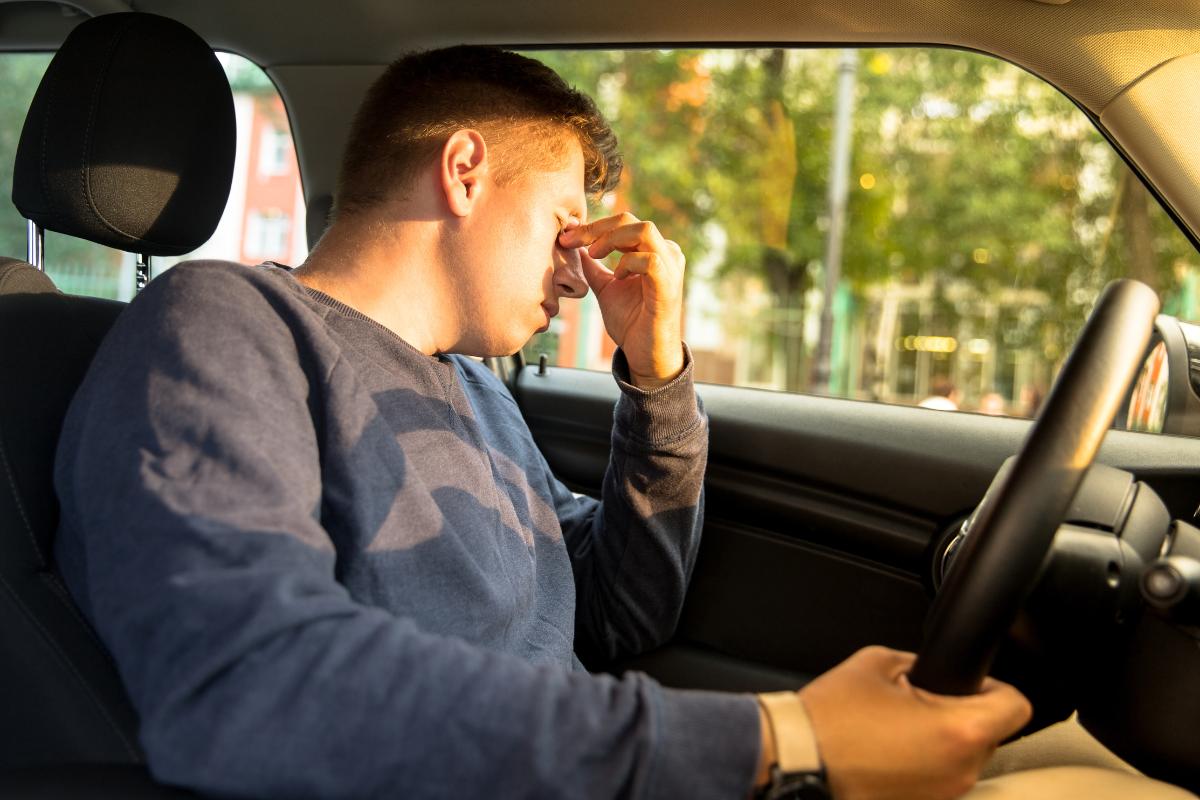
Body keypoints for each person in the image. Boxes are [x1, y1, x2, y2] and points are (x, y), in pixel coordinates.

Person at [54, 45, 1113, 800]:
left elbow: (620, 613)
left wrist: (657, 374)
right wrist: (782, 735)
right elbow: (253, 688)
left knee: (1073, 757)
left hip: (605, 761)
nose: (581, 263)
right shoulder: (221, 324)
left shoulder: (475, 387)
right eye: (566, 220)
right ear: (465, 171)